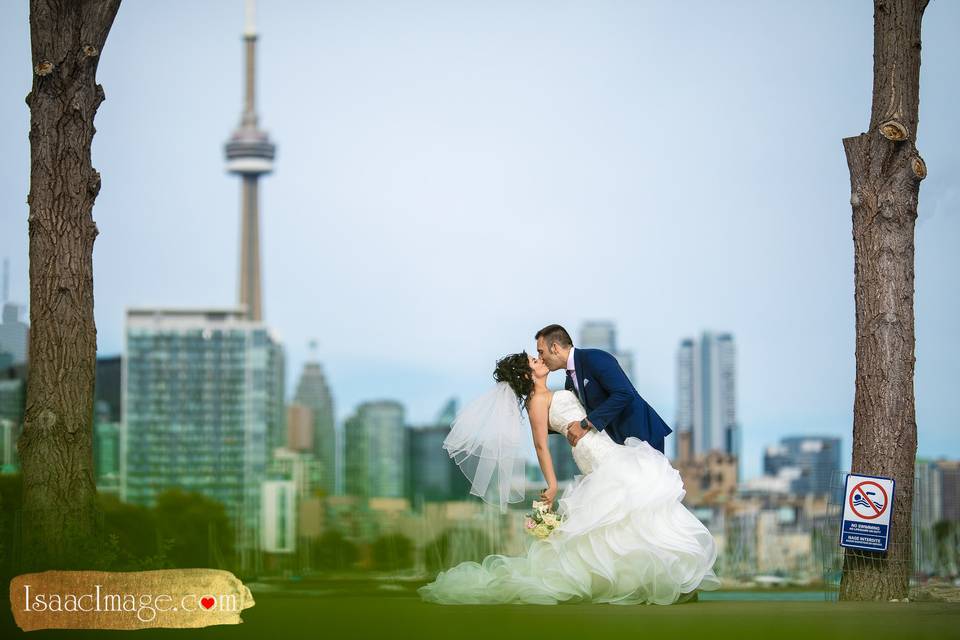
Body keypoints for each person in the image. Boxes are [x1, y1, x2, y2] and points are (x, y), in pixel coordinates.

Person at [417, 349, 720, 605]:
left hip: (604, 446)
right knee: (635, 501)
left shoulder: (556, 390)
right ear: (526, 375)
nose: (540, 360)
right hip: (594, 453)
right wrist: (550, 484)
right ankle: (672, 582)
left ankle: (666, 581)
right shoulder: (536, 402)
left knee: (633, 508)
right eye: (533, 361)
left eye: (539, 355)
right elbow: (540, 445)